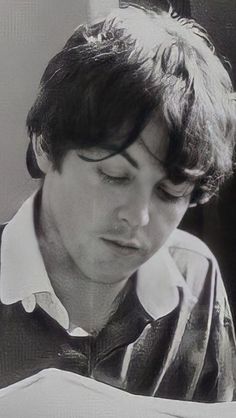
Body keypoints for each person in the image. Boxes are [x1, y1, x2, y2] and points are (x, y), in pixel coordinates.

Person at [0, 3, 236, 404]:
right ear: (44, 145)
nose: (139, 217)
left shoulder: (196, 277)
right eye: (113, 176)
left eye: (170, 192)